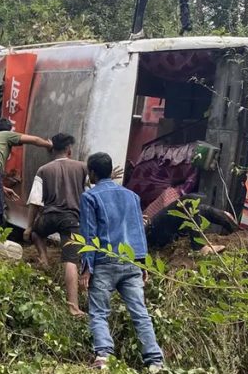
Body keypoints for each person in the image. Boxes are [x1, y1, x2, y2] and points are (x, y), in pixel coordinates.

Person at [79, 152, 163, 371]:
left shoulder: (90, 197)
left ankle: (104, 356)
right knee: (140, 312)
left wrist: (87, 267)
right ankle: (155, 361)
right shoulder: (132, 196)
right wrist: (142, 262)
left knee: (99, 312)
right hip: (131, 261)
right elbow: (138, 230)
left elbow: (89, 233)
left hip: (104, 261)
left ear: (93, 173)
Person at [25, 133, 88, 316]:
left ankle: (43, 259)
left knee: (37, 233)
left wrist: (29, 227)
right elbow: (91, 192)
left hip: (50, 217)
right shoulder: (82, 167)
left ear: (53, 149)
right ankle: (73, 306)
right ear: (69, 149)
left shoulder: (43, 169)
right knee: (70, 261)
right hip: (71, 219)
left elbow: (35, 201)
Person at [0, 118, 52, 240]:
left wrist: (1, 187)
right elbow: (33, 140)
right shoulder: (5, 134)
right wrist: (48, 144)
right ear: (8, 130)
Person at [145, 193, 238, 255]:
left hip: (162, 232)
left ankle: (238, 233)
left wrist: (221, 214)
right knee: (189, 200)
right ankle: (199, 247)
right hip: (151, 235)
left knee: (203, 209)